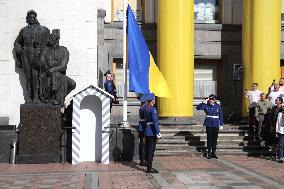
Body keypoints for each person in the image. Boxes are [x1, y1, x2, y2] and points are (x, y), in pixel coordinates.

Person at [14, 10, 50, 103]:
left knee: (36, 76)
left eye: (33, 17)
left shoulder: (41, 29)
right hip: (25, 55)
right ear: (27, 19)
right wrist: (20, 50)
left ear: (35, 18)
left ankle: (36, 97)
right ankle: (30, 97)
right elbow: (17, 42)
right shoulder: (24, 30)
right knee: (28, 77)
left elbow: (47, 42)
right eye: (30, 17)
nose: (32, 19)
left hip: (36, 54)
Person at [40, 29, 76, 105]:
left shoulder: (64, 50)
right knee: (55, 76)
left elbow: (63, 66)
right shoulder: (45, 51)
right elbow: (42, 64)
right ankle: (52, 98)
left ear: (57, 40)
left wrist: (53, 69)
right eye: (49, 38)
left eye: (51, 38)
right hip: (48, 75)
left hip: (60, 75)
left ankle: (60, 97)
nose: (49, 40)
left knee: (72, 84)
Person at [196, 94, 224, 159]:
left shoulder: (218, 106)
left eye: (212, 99)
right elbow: (198, 108)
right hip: (209, 124)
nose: (211, 100)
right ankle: (208, 152)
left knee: (215, 139)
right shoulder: (206, 105)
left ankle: (213, 152)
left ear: (214, 100)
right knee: (209, 138)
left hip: (216, 124)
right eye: (210, 99)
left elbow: (221, 116)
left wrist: (221, 124)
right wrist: (203, 102)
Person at [144, 93, 161, 173]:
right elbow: (155, 122)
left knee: (148, 149)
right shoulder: (152, 109)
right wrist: (158, 132)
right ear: (152, 101)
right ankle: (149, 168)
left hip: (147, 130)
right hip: (152, 131)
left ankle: (148, 166)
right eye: (154, 99)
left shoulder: (146, 108)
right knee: (151, 149)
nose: (155, 100)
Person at [138, 94, 148, 166]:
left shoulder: (141, 107)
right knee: (144, 145)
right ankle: (143, 160)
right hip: (144, 128)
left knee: (142, 144)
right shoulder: (145, 108)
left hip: (141, 127)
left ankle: (142, 159)